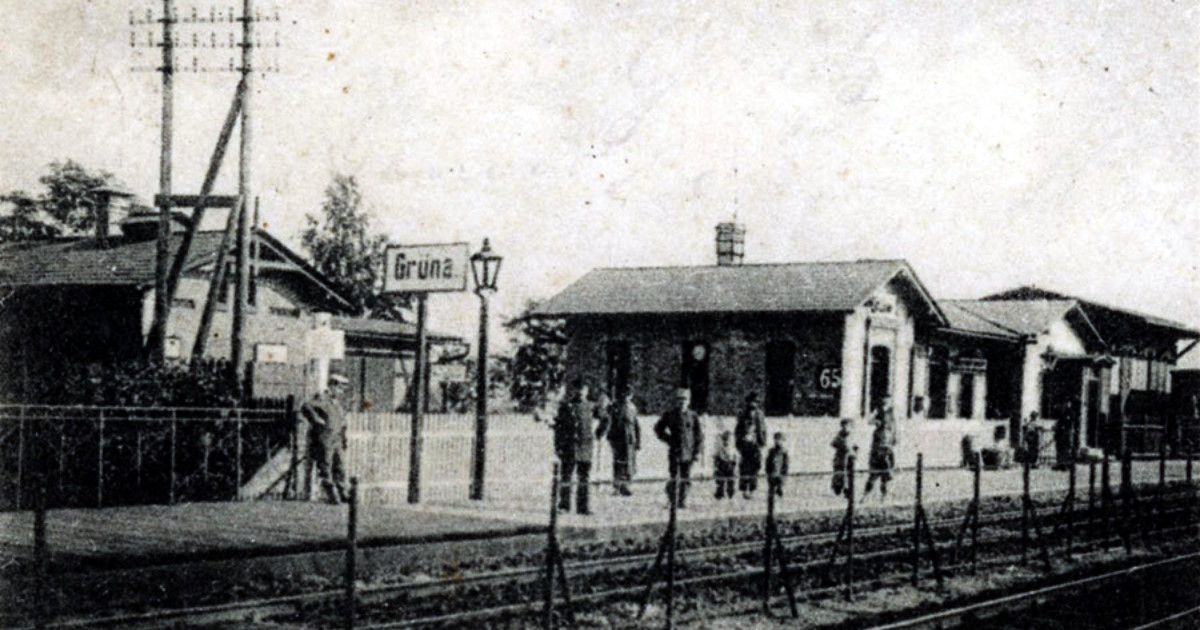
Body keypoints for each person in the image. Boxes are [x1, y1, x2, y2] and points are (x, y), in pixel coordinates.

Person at [301, 373, 349, 505]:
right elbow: (306, 406)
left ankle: (342, 492)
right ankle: (331, 494)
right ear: (332, 386)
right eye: (339, 388)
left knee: (340, 466)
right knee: (326, 465)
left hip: (337, 438)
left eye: (342, 389)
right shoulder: (322, 399)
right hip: (325, 437)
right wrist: (316, 419)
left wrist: (344, 438)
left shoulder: (337, 403)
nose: (341, 392)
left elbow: (342, 422)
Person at [654, 388, 704, 508]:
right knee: (674, 477)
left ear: (689, 401)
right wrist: (668, 439)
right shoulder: (670, 415)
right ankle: (672, 500)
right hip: (675, 451)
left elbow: (699, 436)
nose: (682, 402)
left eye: (684, 400)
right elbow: (658, 428)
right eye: (679, 400)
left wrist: (696, 451)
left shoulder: (693, 416)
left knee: (686, 478)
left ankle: (682, 500)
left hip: (688, 452)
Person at [554, 380, 597, 514]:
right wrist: (558, 446)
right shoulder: (566, 406)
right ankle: (564, 505)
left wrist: (599, 432)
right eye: (577, 389)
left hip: (585, 446)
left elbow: (605, 418)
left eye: (583, 389)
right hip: (569, 447)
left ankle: (583, 507)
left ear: (587, 391)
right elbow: (559, 428)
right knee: (566, 476)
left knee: (584, 478)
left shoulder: (590, 406)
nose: (580, 392)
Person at [598, 390, 640, 496]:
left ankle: (626, 485)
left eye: (628, 395)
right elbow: (607, 420)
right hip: (617, 438)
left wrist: (638, 441)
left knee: (629, 463)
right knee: (618, 462)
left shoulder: (632, 408)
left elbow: (636, 425)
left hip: (629, 439)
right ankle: (617, 486)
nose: (626, 398)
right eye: (624, 395)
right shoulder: (614, 407)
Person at [862, 400, 897, 500]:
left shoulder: (891, 418)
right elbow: (869, 420)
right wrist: (875, 420)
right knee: (873, 475)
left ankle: (883, 497)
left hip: (887, 452)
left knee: (885, 477)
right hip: (878, 453)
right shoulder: (877, 432)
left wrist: (892, 444)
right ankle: (865, 495)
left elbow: (894, 430)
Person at [734, 391, 767, 499]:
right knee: (745, 467)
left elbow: (763, 429)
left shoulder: (760, 414)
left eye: (756, 402)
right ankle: (744, 489)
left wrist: (762, 441)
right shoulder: (743, 414)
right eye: (752, 402)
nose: (753, 404)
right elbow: (737, 430)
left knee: (755, 466)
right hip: (745, 445)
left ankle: (752, 488)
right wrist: (740, 442)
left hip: (756, 444)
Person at [713, 430, 738, 500]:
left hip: (730, 465)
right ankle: (720, 493)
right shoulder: (720, 448)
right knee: (720, 481)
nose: (727, 442)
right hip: (722, 465)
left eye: (729, 440)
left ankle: (731, 493)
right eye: (725, 439)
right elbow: (716, 456)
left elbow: (735, 457)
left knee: (731, 481)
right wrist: (716, 466)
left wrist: (734, 464)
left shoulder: (732, 448)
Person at [830, 419, 852, 497]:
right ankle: (837, 488)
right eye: (844, 426)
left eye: (847, 426)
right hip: (840, 457)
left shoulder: (851, 435)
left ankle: (847, 490)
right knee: (839, 472)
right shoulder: (839, 435)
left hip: (848, 457)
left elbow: (854, 446)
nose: (845, 427)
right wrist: (841, 445)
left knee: (848, 473)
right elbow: (833, 443)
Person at [765, 432, 789, 497]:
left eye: (779, 439)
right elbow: (768, 463)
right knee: (771, 492)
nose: (777, 441)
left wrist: (783, 475)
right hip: (772, 475)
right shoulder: (771, 451)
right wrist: (768, 473)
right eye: (776, 439)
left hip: (780, 475)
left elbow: (785, 465)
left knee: (780, 491)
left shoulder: (784, 452)